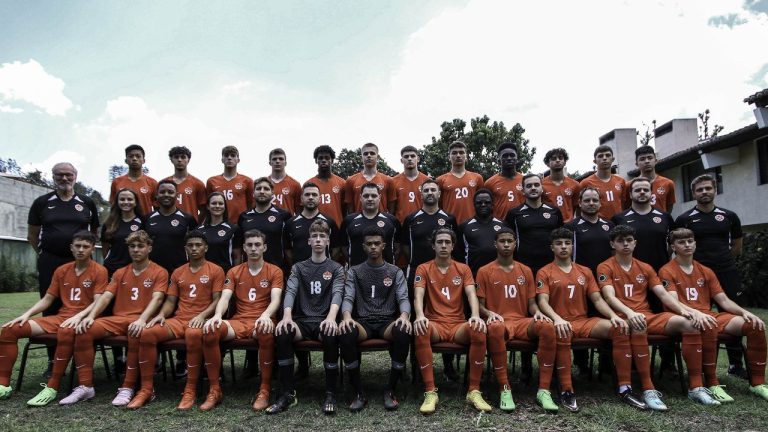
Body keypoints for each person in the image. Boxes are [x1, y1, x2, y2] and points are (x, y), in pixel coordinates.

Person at [597, 225, 718, 408]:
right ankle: (648, 389)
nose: (625, 244)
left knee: (690, 324)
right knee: (638, 324)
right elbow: (609, 296)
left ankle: (696, 387)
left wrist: (685, 311)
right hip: (622, 317)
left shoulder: (645, 267)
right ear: (612, 244)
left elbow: (663, 294)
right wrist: (629, 312)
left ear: (635, 243)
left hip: (646, 316)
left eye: (629, 240)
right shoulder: (605, 266)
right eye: (620, 241)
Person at [45, 231, 168, 407]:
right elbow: (106, 297)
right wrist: (90, 316)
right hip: (118, 318)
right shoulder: (119, 273)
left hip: (141, 319)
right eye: (132, 246)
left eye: (140, 246)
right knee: (83, 329)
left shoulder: (159, 271)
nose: (136, 250)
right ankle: (86, 386)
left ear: (149, 248)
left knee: (137, 330)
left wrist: (142, 319)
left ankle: (128, 387)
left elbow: (157, 298)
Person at [536, 227, 641, 412]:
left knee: (620, 327)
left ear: (572, 246)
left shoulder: (584, 271)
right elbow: (542, 302)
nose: (563, 247)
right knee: (560, 330)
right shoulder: (544, 272)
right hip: (560, 322)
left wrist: (614, 316)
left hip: (583, 321)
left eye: (567, 243)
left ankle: (625, 387)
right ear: (551, 247)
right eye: (559, 244)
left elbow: (598, 299)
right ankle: (567, 389)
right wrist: (557, 319)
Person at [660, 228, 768, 403]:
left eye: (690, 241)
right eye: (681, 242)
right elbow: (673, 303)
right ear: (673, 247)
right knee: (707, 323)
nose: (687, 245)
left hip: (708, 315)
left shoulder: (706, 270)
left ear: (695, 243)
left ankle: (757, 383)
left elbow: (723, 301)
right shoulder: (667, 270)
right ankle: (712, 383)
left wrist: (745, 312)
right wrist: (694, 313)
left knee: (754, 325)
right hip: (683, 316)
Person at [0, 231, 107, 403]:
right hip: (61, 317)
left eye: (85, 247)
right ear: (71, 248)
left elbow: (98, 302)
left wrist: (79, 316)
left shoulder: (99, 271)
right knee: (9, 330)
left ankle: (52, 386)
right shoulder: (62, 270)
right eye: (77, 246)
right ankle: (3, 384)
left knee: (65, 330)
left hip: (84, 320)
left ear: (93, 249)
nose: (81, 250)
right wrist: (25, 315)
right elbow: (48, 298)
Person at [126, 231, 224, 409]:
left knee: (194, 335)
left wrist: (202, 316)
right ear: (185, 248)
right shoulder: (178, 272)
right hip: (179, 319)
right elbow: (171, 301)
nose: (194, 248)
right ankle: (146, 390)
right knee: (148, 333)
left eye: (198, 245)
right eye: (190, 245)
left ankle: (190, 390)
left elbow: (218, 300)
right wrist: (162, 315)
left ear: (206, 248)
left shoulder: (215, 270)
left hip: (202, 320)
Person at [190, 229, 283, 411]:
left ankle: (264, 389)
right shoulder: (234, 271)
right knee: (210, 330)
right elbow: (224, 298)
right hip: (239, 321)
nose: (254, 248)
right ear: (244, 248)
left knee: (265, 331)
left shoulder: (274, 270)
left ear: (264, 247)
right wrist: (217, 316)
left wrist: (265, 315)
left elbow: (276, 300)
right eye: (250, 245)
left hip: (262, 320)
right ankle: (214, 389)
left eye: (257, 245)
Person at [476, 228, 566, 413]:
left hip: (522, 321)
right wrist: (489, 313)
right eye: (502, 241)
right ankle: (505, 388)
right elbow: (479, 305)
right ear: (495, 244)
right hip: (500, 321)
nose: (506, 244)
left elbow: (532, 303)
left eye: (510, 240)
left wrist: (538, 313)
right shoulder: (484, 271)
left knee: (547, 326)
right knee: (494, 328)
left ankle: (543, 390)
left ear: (516, 244)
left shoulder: (525, 270)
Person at [27, 162, 100, 374]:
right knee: (51, 306)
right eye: (60, 175)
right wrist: (43, 253)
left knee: (84, 306)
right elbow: (32, 235)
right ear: (53, 177)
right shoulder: (42, 202)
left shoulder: (86, 202)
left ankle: (81, 360)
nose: (64, 179)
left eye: (68, 175)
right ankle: (53, 360)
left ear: (76, 176)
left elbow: (94, 232)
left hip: (81, 263)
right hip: (51, 261)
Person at [267, 220, 344, 414]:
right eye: (315, 237)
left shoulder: (336, 268)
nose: (318, 240)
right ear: (309, 241)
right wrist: (286, 316)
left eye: (322, 237)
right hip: (302, 321)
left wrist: (331, 318)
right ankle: (287, 393)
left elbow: (337, 293)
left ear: (328, 241)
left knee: (330, 334)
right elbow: (291, 292)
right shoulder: (298, 268)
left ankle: (330, 393)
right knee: (284, 333)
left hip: (323, 320)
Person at [675, 174, 748, 378]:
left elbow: (737, 244)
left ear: (715, 190)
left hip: (726, 271)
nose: (704, 192)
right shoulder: (685, 219)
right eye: (700, 190)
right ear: (693, 193)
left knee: (732, 315)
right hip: (696, 275)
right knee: (702, 315)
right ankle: (708, 364)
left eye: (708, 188)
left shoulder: (729, 216)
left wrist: (723, 261)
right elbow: (678, 246)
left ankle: (736, 364)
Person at [413, 228, 491, 414]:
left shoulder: (463, 269)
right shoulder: (423, 268)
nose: (443, 245)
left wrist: (474, 315)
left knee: (478, 329)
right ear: (433, 245)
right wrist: (420, 315)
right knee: (421, 328)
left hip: (458, 325)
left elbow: (471, 294)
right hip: (435, 324)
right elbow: (418, 295)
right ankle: (430, 391)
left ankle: (473, 390)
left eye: (447, 242)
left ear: (453, 245)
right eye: (439, 242)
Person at [338, 227, 412, 411]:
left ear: (384, 246)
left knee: (403, 330)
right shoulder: (355, 271)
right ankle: (358, 391)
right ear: (363, 247)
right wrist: (347, 316)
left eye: (377, 243)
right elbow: (348, 297)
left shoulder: (395, 272)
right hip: (363, 321)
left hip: (387, 321)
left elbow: (403, 298)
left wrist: (404, 316)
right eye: (369, 244)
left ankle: (390, 389)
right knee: (346, 331)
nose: (373, 247)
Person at [564, 187, 615, 375]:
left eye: (595, 200)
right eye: (587, 200)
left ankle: (606, 362)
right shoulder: (571, 226)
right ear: (580, 203)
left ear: (600, 203)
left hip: (605, 282)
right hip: (579, 281)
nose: (591, 203)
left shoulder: (609, 226)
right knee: (581, 319)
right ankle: (582, 363)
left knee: (606, 317)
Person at [505, 173, 563, 276]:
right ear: (523, 191)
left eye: (536, 185)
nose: (533, 188)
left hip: (551, 267)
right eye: (529, 186)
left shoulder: (554, 212)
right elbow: (508, 241)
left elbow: (561, 239)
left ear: (542, 188)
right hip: (524, 268)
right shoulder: (514, 214)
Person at [612, 177, 674, 273]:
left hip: (660, 271)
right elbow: (613, 247)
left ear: (651, 194)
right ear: (630, 195)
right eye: (637, 190)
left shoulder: (665, 217)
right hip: (630, 272)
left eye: (646, 190)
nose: (642, 192)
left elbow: (673, 243)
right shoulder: (619, 219)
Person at [340, 183, 400, 266]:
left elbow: (398, 248)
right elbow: (343, 247)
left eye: (374, 196)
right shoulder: (349, 221)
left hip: (386, 274)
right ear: (360, 198)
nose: (370, 199)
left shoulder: (392, 220)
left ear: (379, 197)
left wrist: (390, 264)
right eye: (366, 196)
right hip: (356, 273)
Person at [145, 180, 196, 277]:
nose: (166, 195)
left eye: (170, 192)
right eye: (162, 192)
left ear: (177, 195)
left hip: (180, 272)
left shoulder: (187, 218)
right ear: (156, 195)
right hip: (152, 272)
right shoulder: (147, 218)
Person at [284, 182, 340, 264]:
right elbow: (287, 251)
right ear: (301, 198)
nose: (310, 197)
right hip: (299, 273)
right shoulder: (290, 223)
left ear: (320, 199)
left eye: (314, 195)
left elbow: (336, 249)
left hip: (324, 271)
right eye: (307, 194)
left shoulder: (329, 222)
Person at [456, 189, 507, 275]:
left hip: (500, 274)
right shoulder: (464, 226)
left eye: (487, 202)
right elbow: (459, 253)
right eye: (479, 203)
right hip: (473, 275)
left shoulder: (503, 225)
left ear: (492, 204)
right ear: (474, 205)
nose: (483, 205)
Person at [437, 141, 485, 224]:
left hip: (473, 224)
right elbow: (438, 206)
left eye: (461, 152)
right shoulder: (440, 180)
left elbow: (483, 203)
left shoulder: (477, 178)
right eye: (454, 153)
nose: (458, 155)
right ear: (449, 157)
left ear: (466, 157)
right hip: (450, 225)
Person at [205, 146, 254, 225]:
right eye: (226, 155)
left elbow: (251, 205)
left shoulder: (247, 181)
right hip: (218, 224)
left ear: (238, 160)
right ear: (222, 160)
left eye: (233, 155)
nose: (229, 158)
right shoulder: (212, 181)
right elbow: (208, 205)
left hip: (240, 224)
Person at [101, 189, 144, 277]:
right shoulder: (109, 223)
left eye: (129, 199)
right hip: (112, 269)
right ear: (117, 202)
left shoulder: (143, 222)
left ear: (135, 202)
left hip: (136, 270)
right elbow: (105, 249)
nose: (126, 202)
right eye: (122, 199)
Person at [344, 142, 395, 214]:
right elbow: (350, 209)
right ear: (361, 157)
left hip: (381, 223)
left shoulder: (388, 180)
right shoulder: (351, 181)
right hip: (359, 223)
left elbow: (391, 209)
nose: (369, 156)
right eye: (365, 154)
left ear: (378, 157)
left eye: (372, 153)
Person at [579, 145, 627, 220]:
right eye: (600, 156)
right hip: (597, 225)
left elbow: (624, 204)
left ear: (613, 159)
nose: (604, 158)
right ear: (594, 161)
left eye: (608, 155)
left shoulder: (621, 181)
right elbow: (580, 208)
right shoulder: (585, 183)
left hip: (618, 223)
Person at [110, 144, 158, 215]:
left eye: (138, 156)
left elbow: (157, 208)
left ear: (143, 160)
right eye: (131, 156)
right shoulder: (117, 182)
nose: (134, 159)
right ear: (126, 160)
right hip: (123, 224)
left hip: (145, 224)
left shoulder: (152, 183)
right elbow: (113, 207)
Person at [196, 192, 239, 272]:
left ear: (225, 207)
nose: (217, 206)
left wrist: (235, 275)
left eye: (220, 203)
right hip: (204, 274)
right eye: (214, 203)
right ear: (208, 207)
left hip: (225, 273)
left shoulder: (233, 229)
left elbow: (237, 256)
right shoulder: (199, 230)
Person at [306, 145, 346, 227]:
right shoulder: (308, 184)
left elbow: (345, 209)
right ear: (316, 161)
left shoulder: (342, 183)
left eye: (327, 158)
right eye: (320, 158)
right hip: (314, 230)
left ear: (332, 160)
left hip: (337, 228)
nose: (324, 160)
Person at [484, 142, 525, 221]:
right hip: (500, 225)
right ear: (499, 161)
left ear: (517, 159)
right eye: (505, 156)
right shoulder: (489, 183)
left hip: (523, 224)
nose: (509, 158)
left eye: (512, 155)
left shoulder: (525, 180)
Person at [165, 146, 207, 223]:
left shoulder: (198, 184)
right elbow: (157, 208)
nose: (180, 160)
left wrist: (196, 225)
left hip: (189, 228)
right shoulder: (164, 183)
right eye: (176, 157)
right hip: (167, 226)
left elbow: (203, 210)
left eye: (183, 157)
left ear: (188, 160)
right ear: (171, 160)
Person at [390, 146, 430, 224]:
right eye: (406, 156)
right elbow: (391, 208)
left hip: (423, 224)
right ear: (401, 160)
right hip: (401, 225)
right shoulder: (393, 181)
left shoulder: (427, 181)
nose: (409, 159)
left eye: (412, 156)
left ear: (418, 159)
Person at [541, 148, 581, 222]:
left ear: (565, 162)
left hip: (568, 226)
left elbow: (577, 207)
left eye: (560, 158)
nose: (557, 160)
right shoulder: (541, 185)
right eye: (553, 158)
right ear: (547, 163)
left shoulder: (575, 185)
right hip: (548, 225)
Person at [634, 145, 675, 213]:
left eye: (650, 158)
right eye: (642, 159)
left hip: (660, 222)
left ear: (655, 160)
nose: (647, 161)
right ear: (636, 163)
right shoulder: (630, 185)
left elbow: (668, 208)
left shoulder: (668, 183)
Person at [268, 148, 302, 215]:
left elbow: (299, 211)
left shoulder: (295, 184)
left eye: (281, 159)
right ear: (270, 163)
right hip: (267, 223)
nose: (277, 161)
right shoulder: (263, 185)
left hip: (287, 224)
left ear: (285, 163)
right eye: (274, 159)